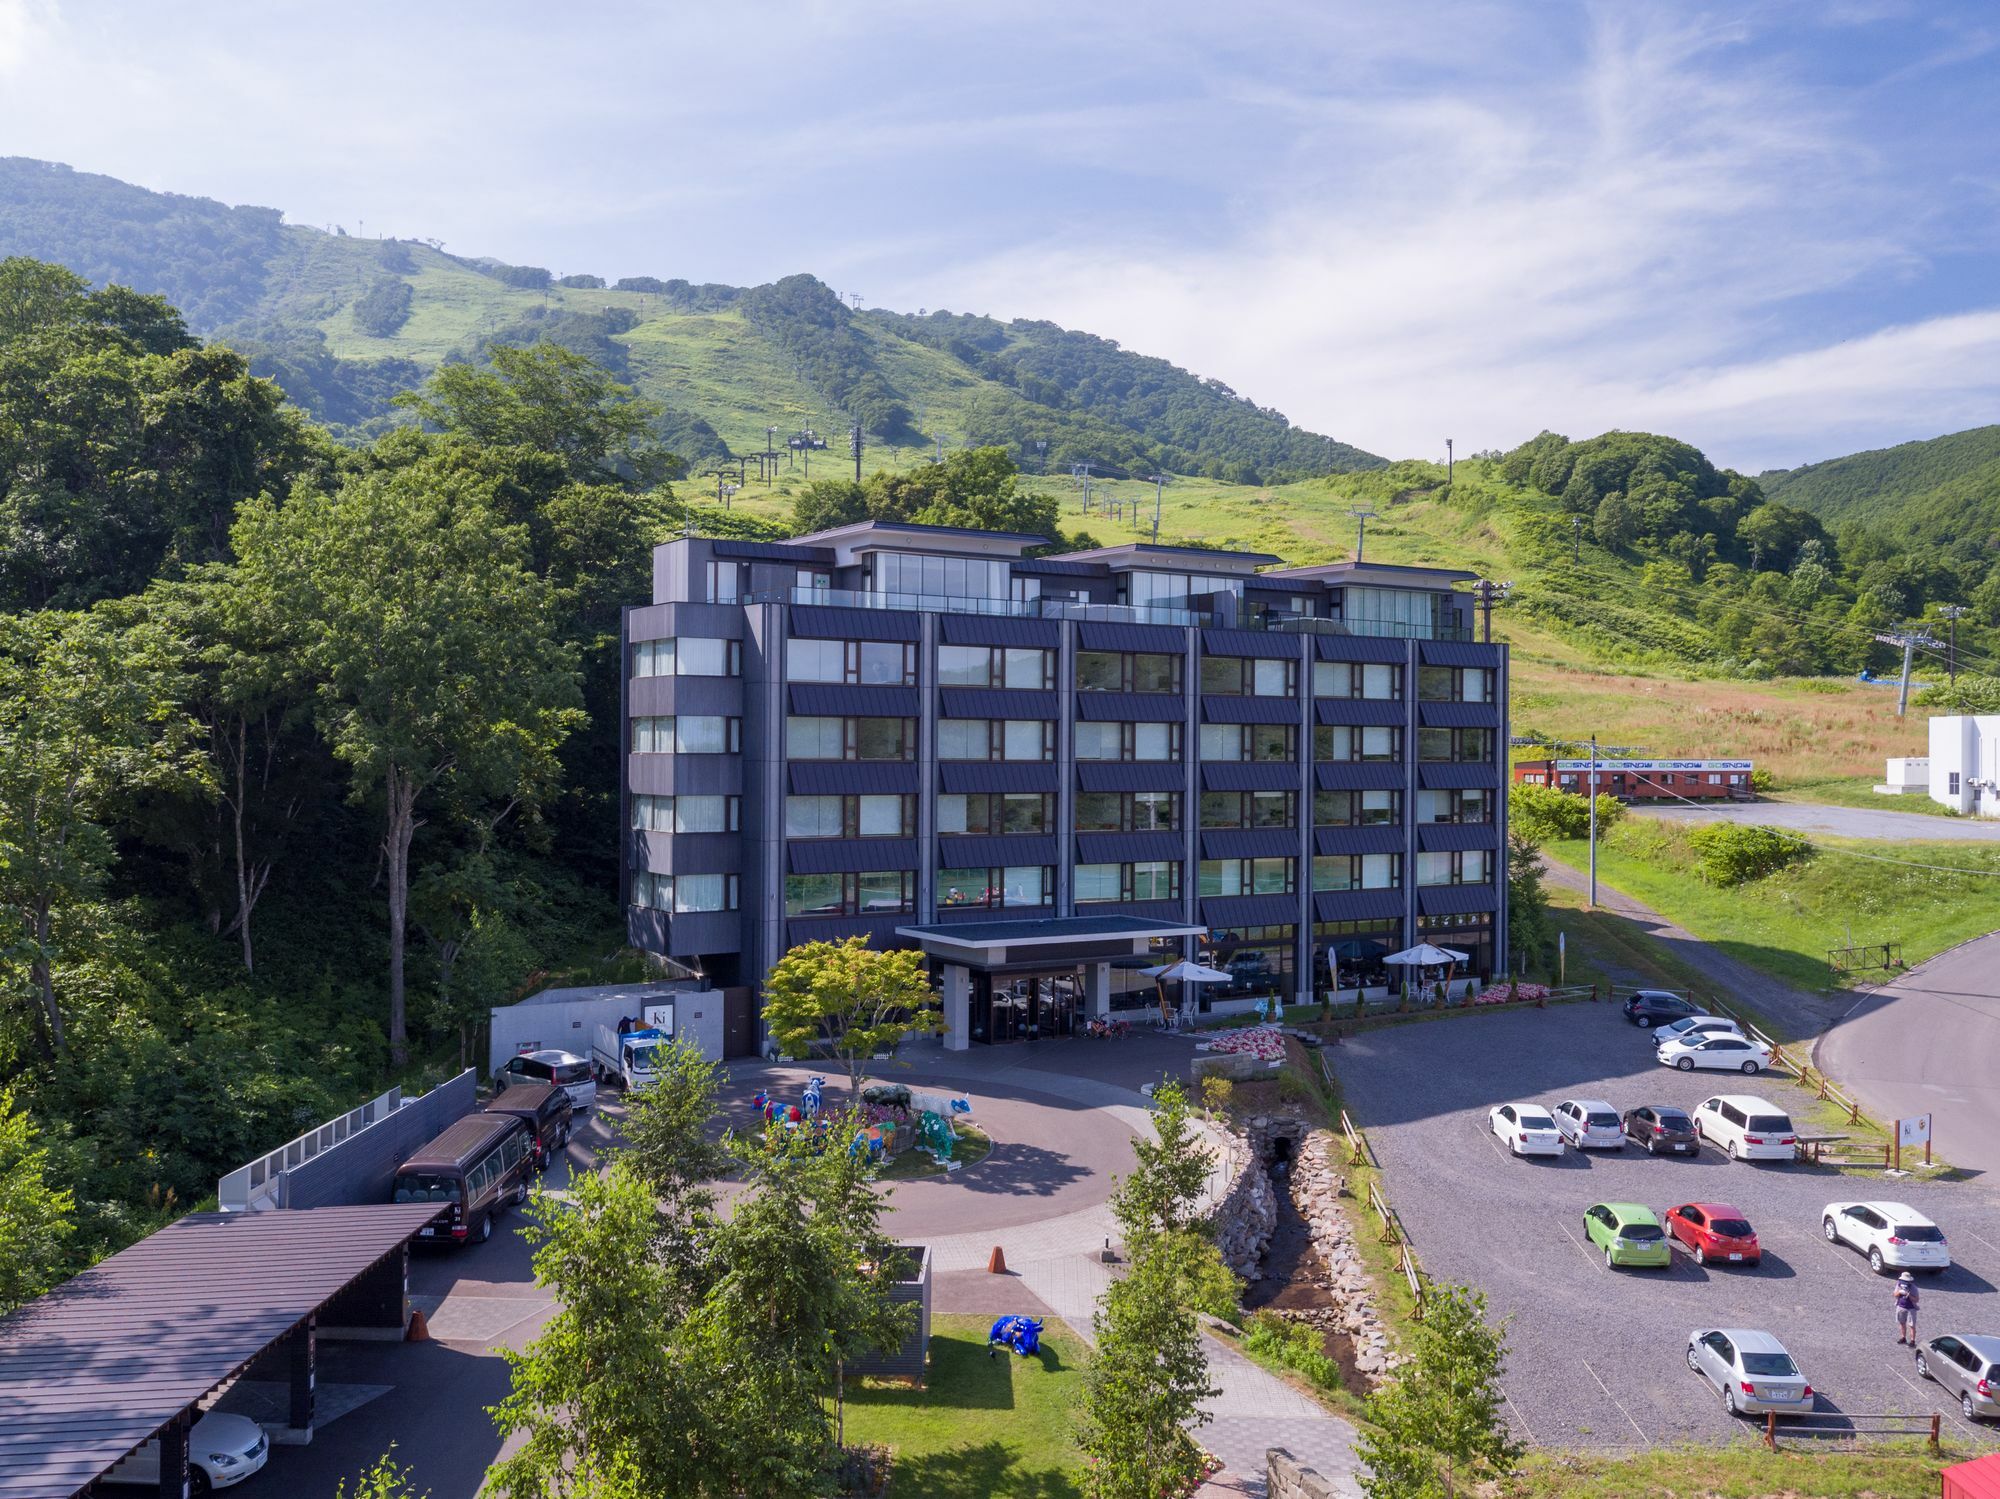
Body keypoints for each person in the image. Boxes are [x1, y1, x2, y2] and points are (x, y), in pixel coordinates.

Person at [1895, 1271, 1920, 1345]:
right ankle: (1903, 1338)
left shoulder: (1914, 1288)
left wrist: (1908, 1295)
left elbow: (1916, 1300)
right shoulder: (1899, 1285)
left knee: (1912, 1325)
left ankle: (1912, 1341)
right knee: (1902, 1323)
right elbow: (1895, 1295)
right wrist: (1899, 1292)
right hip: (1901, 1306)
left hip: (1911, 1308)